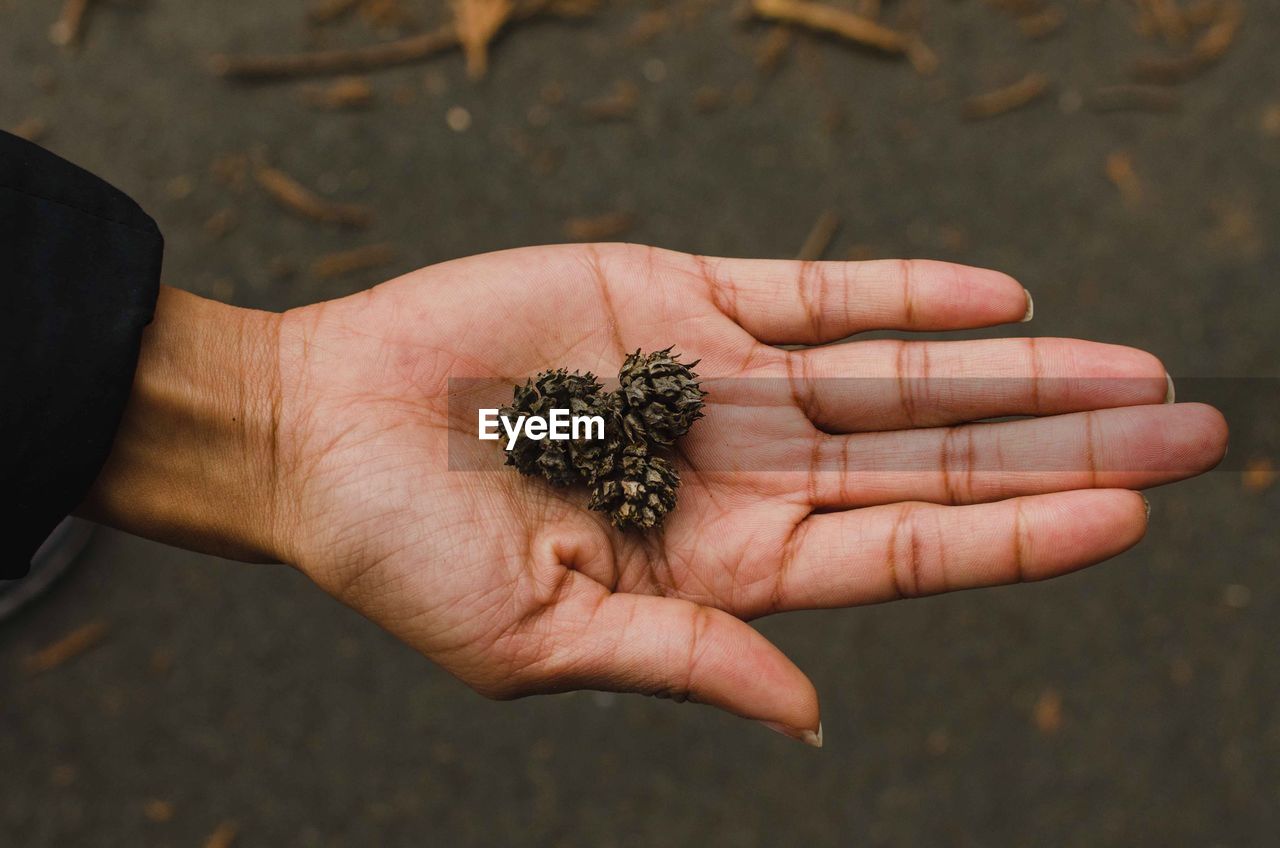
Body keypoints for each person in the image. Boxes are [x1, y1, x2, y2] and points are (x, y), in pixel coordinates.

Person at [1, 130, 1228, 746]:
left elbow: (493, 423)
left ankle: (43, 448)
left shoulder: (555, 425)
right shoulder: (542, 427)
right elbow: (494, 425)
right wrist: (275, 416)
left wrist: (156, 396)